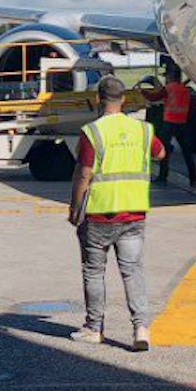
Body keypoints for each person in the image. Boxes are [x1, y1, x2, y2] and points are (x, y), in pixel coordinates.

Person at [68, 75, 167, 351]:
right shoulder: (143, 129)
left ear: (98, 99)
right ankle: (141, 328)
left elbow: (84, 173)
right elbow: (160, 153)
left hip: (99, 214)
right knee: (133, 271)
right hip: (134, 213)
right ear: (123, 99)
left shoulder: (93, 131)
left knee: (94, 272)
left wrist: (75, 207)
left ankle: (94, 328)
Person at [148, 63, 196, 187]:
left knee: (165, 151)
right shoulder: (186, 90)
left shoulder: (168, 88)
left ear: (170, 76)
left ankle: (163, 176)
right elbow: (191, 108)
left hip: (169, 123)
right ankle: (193, 178)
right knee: (187, 152)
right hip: (182, 123)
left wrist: (142, 92)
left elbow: (155, 97)